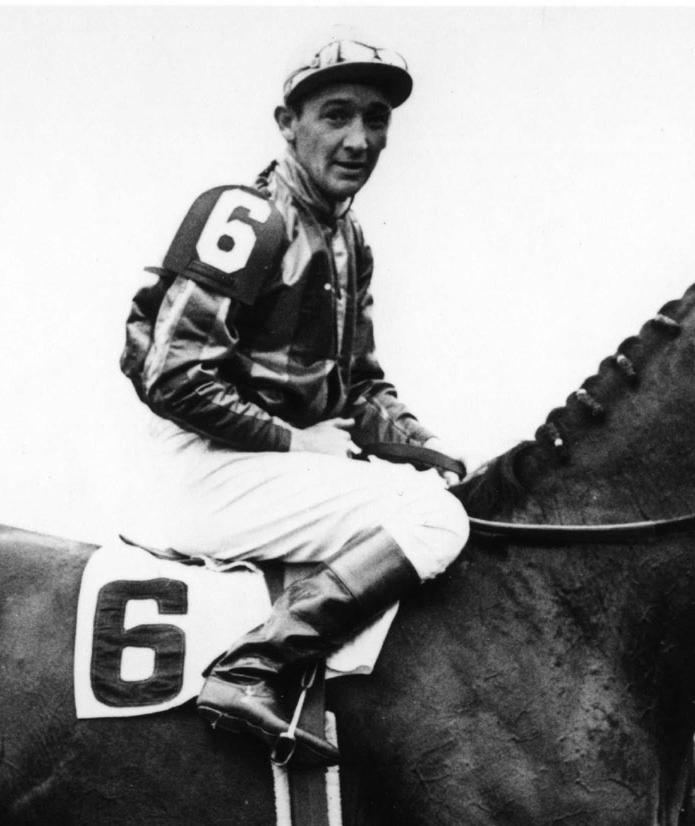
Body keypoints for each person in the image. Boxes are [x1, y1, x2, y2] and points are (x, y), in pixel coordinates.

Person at [120, 38, 468, 764]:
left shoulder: (347, 235)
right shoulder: (247, 215)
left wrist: (435, 450)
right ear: (287, 122)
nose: (359, 139)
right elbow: (172, 376)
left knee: (443, 494)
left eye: (376, 119)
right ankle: (255, 668)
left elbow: (360, 389)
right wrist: (294, 441)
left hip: (268, 469)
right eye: (336, 115)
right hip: (204, 468)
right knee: (431, 520)